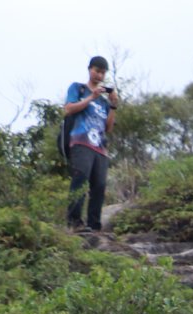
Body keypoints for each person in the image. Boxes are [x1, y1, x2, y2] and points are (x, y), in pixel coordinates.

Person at [65, 56, 120, 233]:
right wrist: (91, 97)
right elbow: (69, 109)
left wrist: (113, 106)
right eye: (97, 71)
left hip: (100, 147)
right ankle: (74, 222)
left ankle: (94, 225)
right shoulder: (78, 88)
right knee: (81, 179)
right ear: (89, 69)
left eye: (103, 73)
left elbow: (108, 128)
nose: (99, 76)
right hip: (81, 141)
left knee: (100, 185)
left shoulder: (103, 102)